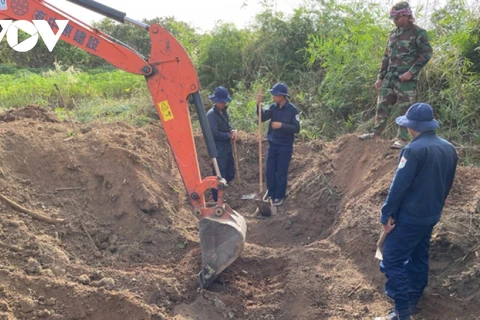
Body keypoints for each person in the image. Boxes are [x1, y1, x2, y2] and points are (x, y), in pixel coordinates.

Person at [375, 103, 458, 320]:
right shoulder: (448, 148)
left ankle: (401, 312)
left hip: (410, 216)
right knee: (419, 255)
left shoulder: (412, 150)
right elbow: (448, 183)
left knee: (392, 259)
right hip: (431, 215)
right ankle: (412, 299)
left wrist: (387, 214)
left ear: (413, 126)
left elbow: (399, 186)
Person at [359, 1, 432, 149]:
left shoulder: (418, 33)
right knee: (382, 105)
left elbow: (426, 54)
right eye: (393, 18)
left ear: (405, 15)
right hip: (390, 77)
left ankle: (402, 139)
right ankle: (376, 134)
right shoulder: (393, 34)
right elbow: (386, 56)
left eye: (397, 18)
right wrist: (380, 77)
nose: (394, 21)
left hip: (406, 78)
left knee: (405, 107)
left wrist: (411, 72)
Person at [256, 82, 300, 206]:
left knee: (281, 171)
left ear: (282, 96)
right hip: (273, 144)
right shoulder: (273, 107)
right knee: (270, 170)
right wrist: (258, 104)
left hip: (285, 146)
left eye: (275, 95)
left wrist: (282, 126)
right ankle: (271, 193)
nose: (273, 97)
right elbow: (262, 117)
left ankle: (279, 196)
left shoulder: (292, 110)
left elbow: (296, 128)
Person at [206, 86, 238, 202]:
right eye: (221, 101)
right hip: (218, 149)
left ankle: (221, 194)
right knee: (220, 176)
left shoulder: (223, 112)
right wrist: (228, 136)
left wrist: (232, 131)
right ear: (215, 101)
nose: (223, 103)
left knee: (230, 173)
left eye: (224, 101)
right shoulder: (211, 115)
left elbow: (227, 126)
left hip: (227, 148)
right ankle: (217, 200)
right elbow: (214, 133)